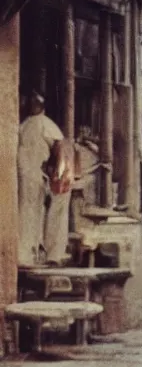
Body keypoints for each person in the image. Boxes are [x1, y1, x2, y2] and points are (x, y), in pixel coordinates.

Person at [17, 91, 66, 266]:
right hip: (23, 175)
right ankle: (24, 254)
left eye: (35, 102)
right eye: (29, 102)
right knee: (24, 213)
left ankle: (34, 254)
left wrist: (57, 172)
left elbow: (59, 147)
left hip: (36, 175)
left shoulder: (46, 124)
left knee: (34, 213)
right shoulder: (24, 124)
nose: (31, 105)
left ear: (41, 105)